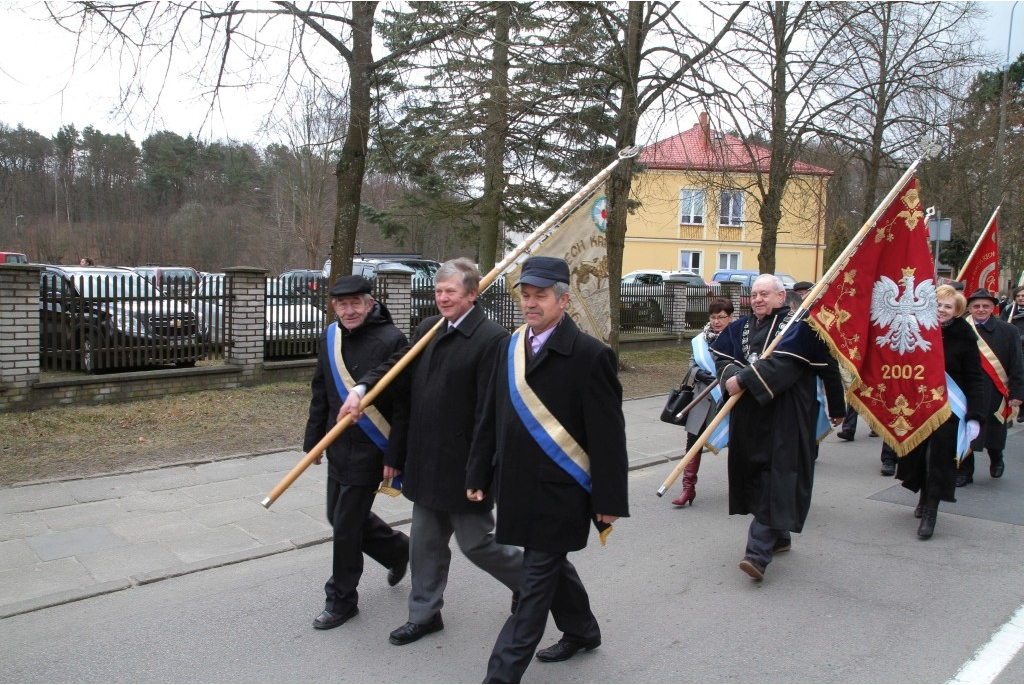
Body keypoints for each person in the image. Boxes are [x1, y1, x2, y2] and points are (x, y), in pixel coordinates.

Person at [339, 258, 523, 646]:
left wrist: (480, 472)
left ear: (472, 295)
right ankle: (424, 614)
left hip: (464, 465)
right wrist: (360, 390)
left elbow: (491, 413)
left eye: (450, 292)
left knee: (479, 544)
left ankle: (532, 584)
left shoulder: (492, 339)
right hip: (425, 459)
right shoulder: (427, 329)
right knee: (424, 544)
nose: (442, 298)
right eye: (438, 291)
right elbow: (395, 370)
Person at [466, 256, 629, 684]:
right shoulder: (508, 347)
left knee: (533, 587)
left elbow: (608, 438)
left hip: (562, 491)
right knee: (550, 565)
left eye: (540, 296)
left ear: (564, 300)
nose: (531, 303)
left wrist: (609, 501)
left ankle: (500, 677)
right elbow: (489, 416)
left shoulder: (591, 356)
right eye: (526, 295)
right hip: (516, 487)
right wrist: (477, 474)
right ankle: (582, 629)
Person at [711, 274, 845, 581]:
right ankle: (780, 536)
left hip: (787, 415)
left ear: (781, 297)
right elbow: (721, 359)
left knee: (779, 477)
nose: (758, 299)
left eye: (765, 294)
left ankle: (757, 554)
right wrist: (732, 375)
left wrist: (837, 407)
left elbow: (796, 365)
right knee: (757, 474)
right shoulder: (739, 327)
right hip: (750, 416)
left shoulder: (801, 327)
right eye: (755, 294)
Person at [303, 275, 410, 630]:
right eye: (342, 304)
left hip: (372, 450)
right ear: (334, 305)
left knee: (346, 526)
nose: (348, 310)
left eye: (355, 303)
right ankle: (398, 550)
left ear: (369, 303)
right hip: (338, 448)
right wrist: (314, 440)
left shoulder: (392, 340)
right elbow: (321, 390)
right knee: (338, 516)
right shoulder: (331, 338)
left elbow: (402, 406)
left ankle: (342, 599)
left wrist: (395, 455)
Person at [895, 285, 984, 539]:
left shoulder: (965, 338)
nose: (943, 310)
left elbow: (975, 378)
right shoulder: (918, 330)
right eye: (939, 305)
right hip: (920, 405)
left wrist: (976, 415)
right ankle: (924, 494)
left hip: (950, 409)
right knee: (922, 455)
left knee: (939, 457)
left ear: (956, 312)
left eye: (948, 306)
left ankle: (931, 511)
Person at [670, 297, 734, 507]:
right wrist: (699, 373)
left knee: (736, 446)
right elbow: (692, 363)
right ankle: (688, 488)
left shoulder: (738, 337)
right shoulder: (700, 340)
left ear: (730, 317)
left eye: (721, 317)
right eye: (714, 317)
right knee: (692, 445)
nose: (717, 321)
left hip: (727, 398)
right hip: (702, 398)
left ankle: (740, 488)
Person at [958, 288, 1024, 485]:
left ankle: (996, 458)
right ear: (969, 307)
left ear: (993, 308)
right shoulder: (961, 328)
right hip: (966, 390)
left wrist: (1018, 392)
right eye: (976, 306)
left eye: (985, 306)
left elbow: (1017, 364)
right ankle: (964, 470)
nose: (980, 310)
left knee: (995, 431)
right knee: (966, 430)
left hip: (995, 390)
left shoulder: (1008, 330)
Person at [999, 285, 1024, 423]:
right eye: (1018, 296)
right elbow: (1002, 324)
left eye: (1023, 296)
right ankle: (1006, 413)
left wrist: (1018, 339)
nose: (1021, 298)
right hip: (1010, 350)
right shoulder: (1009, 310)